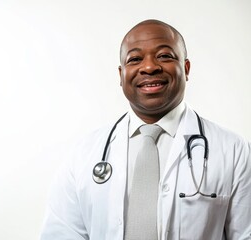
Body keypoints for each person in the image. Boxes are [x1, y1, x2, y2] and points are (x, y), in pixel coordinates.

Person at [40, 19, 251, 239]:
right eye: (135, 59)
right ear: (121, 75)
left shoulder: (234, 150)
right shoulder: (84, 153)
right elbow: (62, 233)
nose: (149, 67)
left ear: (186, 68)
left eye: (164, 56)